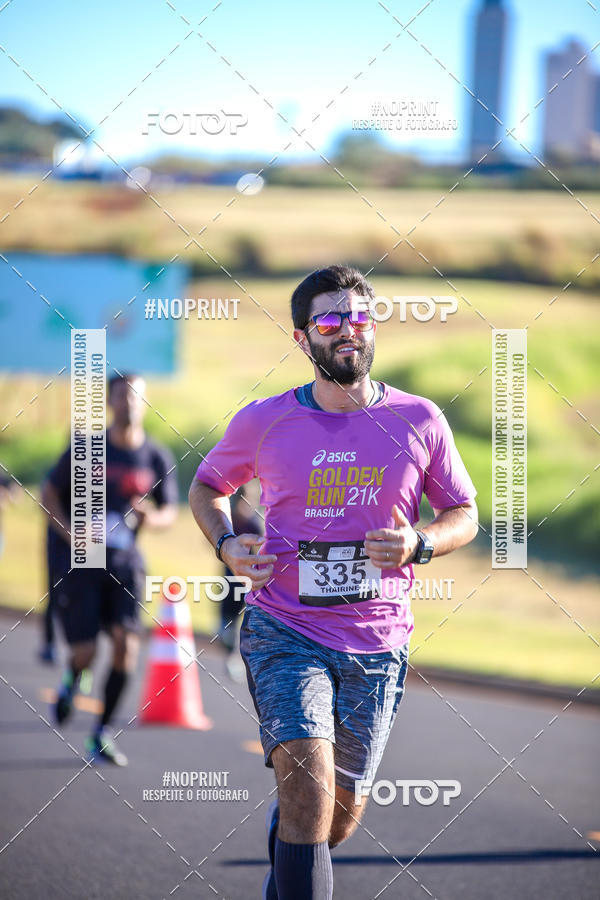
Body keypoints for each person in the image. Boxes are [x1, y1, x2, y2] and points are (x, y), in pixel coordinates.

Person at [188, 265, 478, 899]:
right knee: (310, 794)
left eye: (359, 317)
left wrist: (421, 542)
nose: (348, 329)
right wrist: (228, 544)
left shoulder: (418, 419)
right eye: (330, 319)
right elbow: (209, 486)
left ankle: (292, 841)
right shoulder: (264, 421)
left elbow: (464, 513)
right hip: (284, 629)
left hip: (376, 643)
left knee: (333, 821)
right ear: (302, 338)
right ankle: (298, 831)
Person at [41, 373, 178, 765]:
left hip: (126, 565)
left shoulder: (156, 456)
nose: (130, 403)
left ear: (145, 402)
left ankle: (100, 732)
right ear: (111, 402)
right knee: (84, 651)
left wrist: (151, 517)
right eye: (122, 396)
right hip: (84, 564)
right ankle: (71, 681)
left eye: (137, 396)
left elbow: (170, 512)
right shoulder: (87, 448)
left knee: (125, 647)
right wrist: (69, 533)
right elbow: (49, 492)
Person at [219, 481, 264, 682]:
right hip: (229, 581)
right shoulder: (231, 522)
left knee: (247, 625)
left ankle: (243, 662)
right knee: (226, 625)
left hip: (247, 584)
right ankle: (231, 656)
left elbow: (262, 552)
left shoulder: (254, 524)